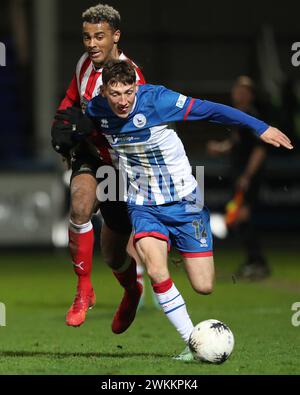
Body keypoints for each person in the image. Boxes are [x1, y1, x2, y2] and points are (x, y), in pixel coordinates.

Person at [59, 60, 292, 360]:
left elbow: (211, 109)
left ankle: (176, 245)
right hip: (143, 204)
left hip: (186, 202)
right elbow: (78, 130)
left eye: (129, 92)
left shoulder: (159, 100)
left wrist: (261, 127)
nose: (123, 101)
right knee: (156, 270)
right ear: (104, 91)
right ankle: (192, 344)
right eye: (115, 93)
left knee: (204, 286)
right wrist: (69, 146)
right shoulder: (96, 110)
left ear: (137, 87)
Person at [51, 4, 146, 331]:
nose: (91, 44)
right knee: (79, 206)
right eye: (87, 37)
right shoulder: (83, 65)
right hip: (93, 155)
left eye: (99, 37)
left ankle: (132, 290)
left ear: (116, 36)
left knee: (113, 253)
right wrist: (61, 125)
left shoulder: (131, 77)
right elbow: (71, 100)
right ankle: (83, 290)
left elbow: (131, 130)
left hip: (123, 166)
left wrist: (87, 127)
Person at [207, 76, 270, 280]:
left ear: (250, 95)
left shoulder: (252, 116)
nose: (238, 94)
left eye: (243, 91)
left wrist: (247, 175)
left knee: (241, 216)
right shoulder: (239, 117)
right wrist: (220, 147)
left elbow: (260, 150)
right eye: (237, 90)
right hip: (240, 175)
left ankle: (257, 262)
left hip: (247, 176)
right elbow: (236, 143)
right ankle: (254, 261)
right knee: (237, 217)